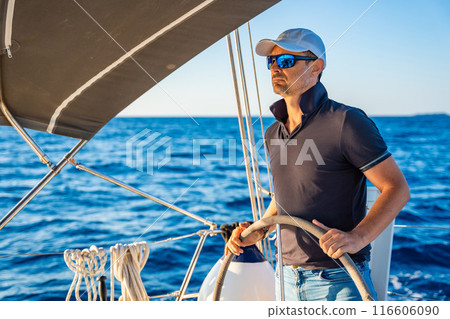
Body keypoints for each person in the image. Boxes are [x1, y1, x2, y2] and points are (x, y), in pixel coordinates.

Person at [225, 28, 410, 301]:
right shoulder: (272, 133)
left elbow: (397, 188)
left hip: (338, 279)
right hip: (285, 278)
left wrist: (358, 237)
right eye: (271, 62)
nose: (276, 67)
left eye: (286, 60)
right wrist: (260, 229)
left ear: (316, 67)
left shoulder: (346, 121)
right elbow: (286, 194)